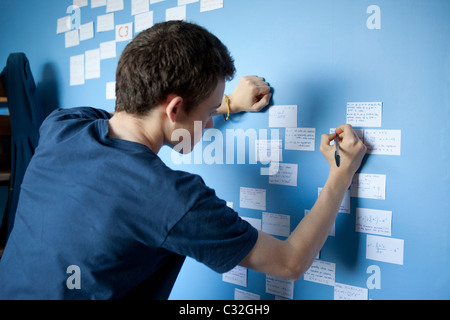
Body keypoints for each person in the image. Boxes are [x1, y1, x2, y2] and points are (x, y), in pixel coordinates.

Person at [0, 21, 366, 300]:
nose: (209, 123)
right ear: (175, 109)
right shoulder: (174, 200)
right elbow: (290, 263)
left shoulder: (63, 125)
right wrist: (341, 172)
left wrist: (226, 105)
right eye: (207, 112)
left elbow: (133, 113)